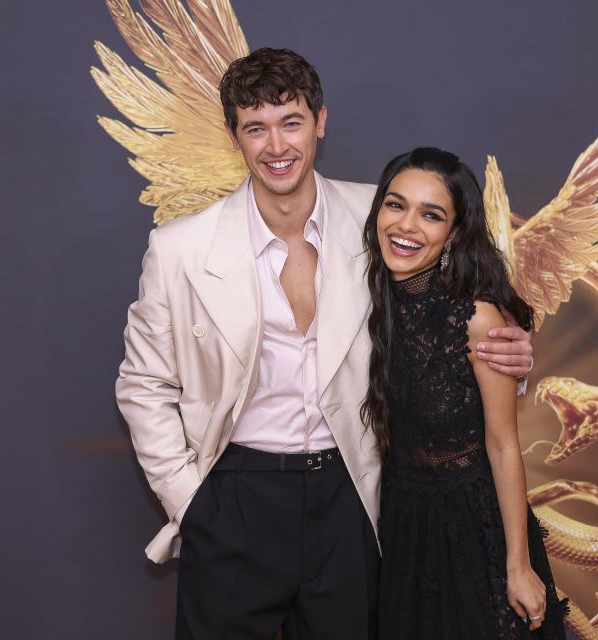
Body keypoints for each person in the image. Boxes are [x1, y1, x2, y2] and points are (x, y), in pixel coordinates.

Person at [115, 49, 534, 639]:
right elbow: (143, 384)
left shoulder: (382, 217)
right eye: (255, 128)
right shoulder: (180, 248)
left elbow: (455, 309)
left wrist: (510, 352)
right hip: (235, 494)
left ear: (321, 122)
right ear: (233, 135)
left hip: (352, 497)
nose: (276, 145)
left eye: (290, 122)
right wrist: (192, 502)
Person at [362, 148, 566, 638]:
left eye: (430, 215)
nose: (406, 226)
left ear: (453, 233)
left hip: (471, 527)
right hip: (398, 521)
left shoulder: (476, 319)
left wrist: (517, 565)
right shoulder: (369, 296)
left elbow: (501, 446)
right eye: (396, 205)